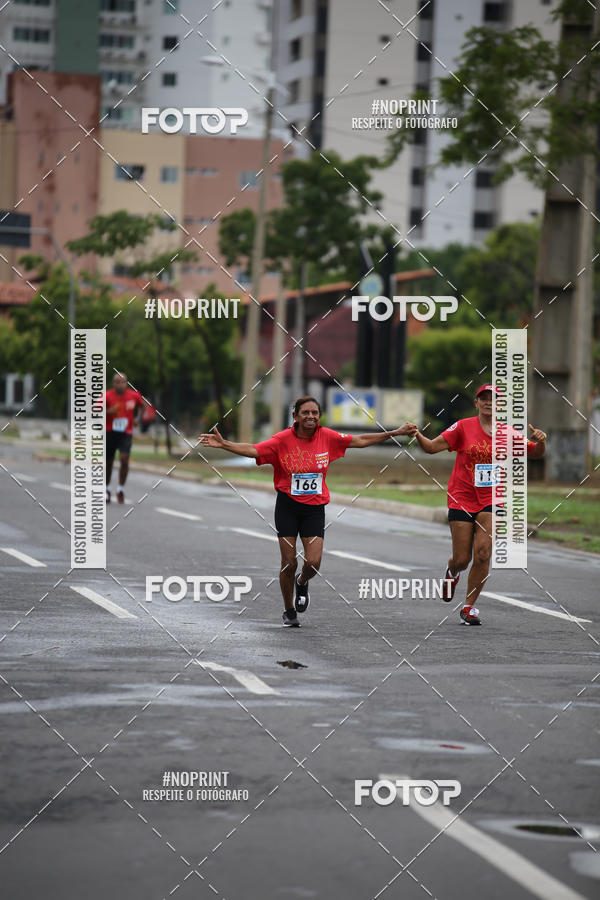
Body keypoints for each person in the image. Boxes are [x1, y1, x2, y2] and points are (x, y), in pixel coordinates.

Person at [200, 396, 415, 627]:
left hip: (314, 509)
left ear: (319, 416)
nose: (310, 416)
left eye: (315, 413)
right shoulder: (282, 440)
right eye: (305, 412)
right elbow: (254, 449)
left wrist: (395, 433)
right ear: (295, 416)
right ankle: (289, 610)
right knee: (288, 562)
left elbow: (360, 439)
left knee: (313, 562)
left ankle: (302, 582)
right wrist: (225, 444)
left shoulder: (328, 437)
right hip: (287, 507)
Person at [409, 384, 546, 625]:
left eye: (494, 399)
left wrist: (541, 441)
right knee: (462, 559)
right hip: (462, 497)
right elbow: (431, 448)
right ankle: (452, 571)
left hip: (492, 498)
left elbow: (535, 453)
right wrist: (417, 434)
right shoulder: (462, 427)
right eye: (484, 398)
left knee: (483, 554)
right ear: (477, 403)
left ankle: (469, 607)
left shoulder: (508, 433)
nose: (489, 402)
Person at [103, 372, 147, 504]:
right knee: (109, 462)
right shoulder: (107, 396)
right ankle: (107, 489)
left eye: (122, 382)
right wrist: (108, 412)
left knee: (124, 459)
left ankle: (120, 489)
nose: (120, 385)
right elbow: (94, 410)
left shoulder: (133, 396)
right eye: (117, 382)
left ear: (126, 383)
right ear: (113, 383)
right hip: (110, 432)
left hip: (125, 433)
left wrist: (138, 418)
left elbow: (143, 406)